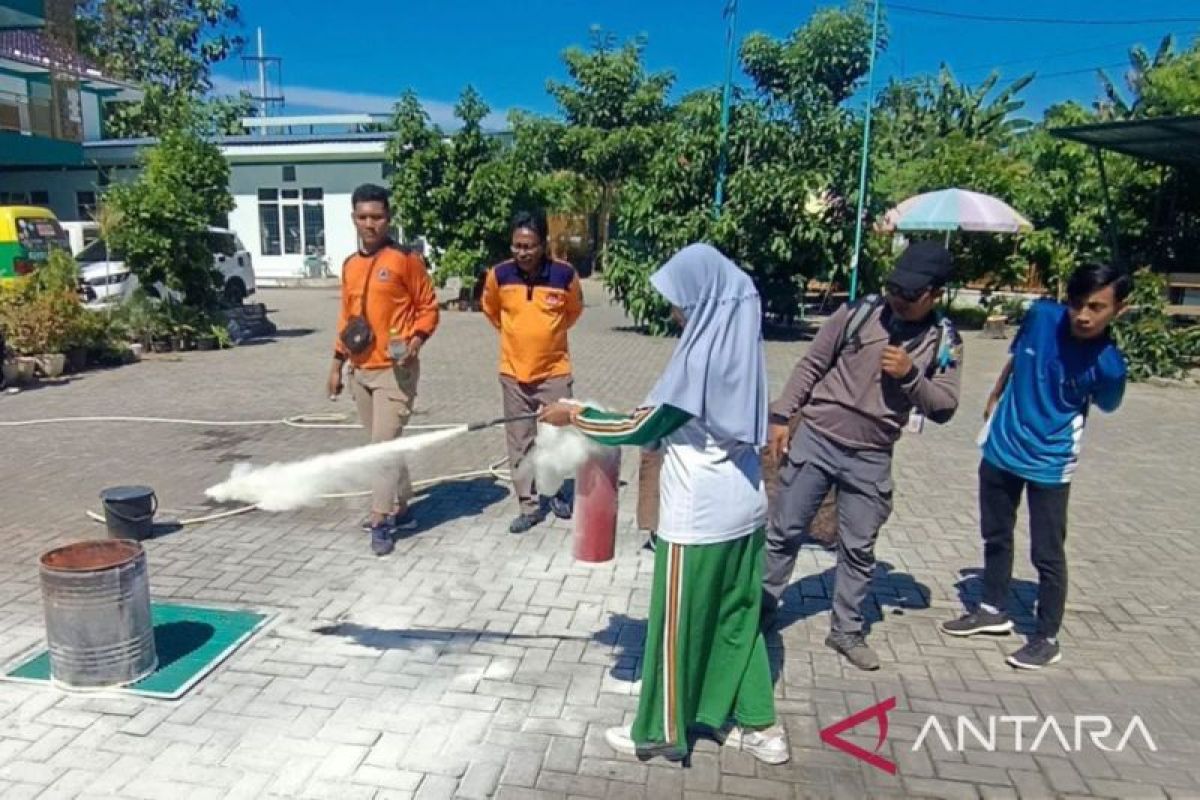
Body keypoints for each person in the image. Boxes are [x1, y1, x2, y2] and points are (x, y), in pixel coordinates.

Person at [540, 243, 788, 765]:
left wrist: (574, 416)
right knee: (738, 620)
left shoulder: (699, 359)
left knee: (674, 626)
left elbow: (644, 426)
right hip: (746, 509)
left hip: (698, 519)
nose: (673, 311)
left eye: (679, 300)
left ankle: (658, 730)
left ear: (702, 301)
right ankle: (761, 728)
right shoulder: (741, 348)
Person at [764, 241, 962, 671]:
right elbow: (811, 365)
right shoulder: (858, 314)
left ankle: (846, 631)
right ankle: (761, 611)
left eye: (909, 294)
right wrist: (781, 415)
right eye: (894, 288)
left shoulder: (943, 340)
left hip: (871, 455)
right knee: (784, 531)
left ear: (935, 294)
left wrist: (910, 375)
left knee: (857, 548)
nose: (898, 299)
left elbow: (945, 406)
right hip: (817, 438)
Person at [942, 263, 1130, 670]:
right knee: (995, 534)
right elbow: (1016, 359)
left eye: (1096, 307)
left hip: (1050, 461)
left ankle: (1046, 638)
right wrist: (994, 396)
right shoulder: (1042, 316)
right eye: (1077, 304)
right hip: (1002, 446)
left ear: (1119, 309)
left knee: (1047, 552)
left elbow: (1108, 404)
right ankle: (992, 610)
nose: (1083, 315)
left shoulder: (1110, 365)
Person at [328, 183, 439, 557]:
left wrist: (416, 342)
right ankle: (403, 508)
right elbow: (346, 318)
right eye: (363, 217)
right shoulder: (349, 265)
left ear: (388, 219)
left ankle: (380, 519)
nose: (370, 223)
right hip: (360, 370)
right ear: (353, 218)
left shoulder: (405, 259)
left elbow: (428, 307)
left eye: (376, 216)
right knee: (384, 446)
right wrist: (336, 364)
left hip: (395, 370)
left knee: (381, 449)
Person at [481, 210, 584, 534]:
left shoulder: (564, 275)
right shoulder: (499, 275)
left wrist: (548, 336)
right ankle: (528, 505)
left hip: (554, 371)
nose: (522, 252)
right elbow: (491, 310)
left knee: (557, 438)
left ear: (543, 244)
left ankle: (556, 492)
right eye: (517, 246)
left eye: (529, 246)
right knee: (520, 442)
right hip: (514, 374)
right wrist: (517, 336)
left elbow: (573, 312)